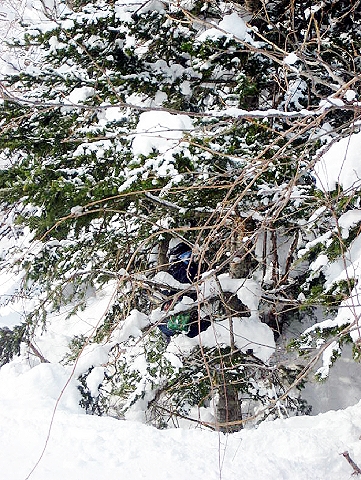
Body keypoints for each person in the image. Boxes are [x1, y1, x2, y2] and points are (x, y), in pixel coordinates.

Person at [157, 242, 211, 339]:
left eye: (189, 254)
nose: (188, 257)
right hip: (182, 305)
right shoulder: (176, 269)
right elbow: (166, 289)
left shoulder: (197, 267)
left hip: (194, 303)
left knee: (192, 331)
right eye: (186, 255)